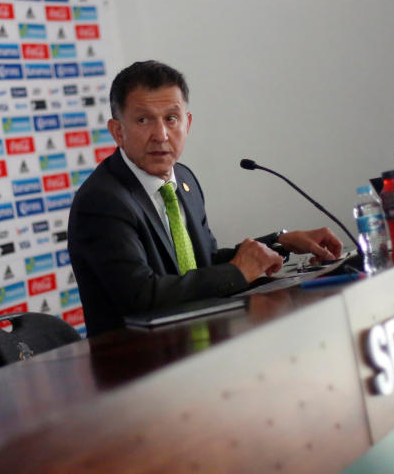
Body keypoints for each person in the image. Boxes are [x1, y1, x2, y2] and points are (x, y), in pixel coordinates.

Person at [67, 60, 342, 336]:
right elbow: (141, 295)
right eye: (143, 120)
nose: (161, 135)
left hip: (194, 344)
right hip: (137, 361)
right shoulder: (103, 200)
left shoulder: (184, 179)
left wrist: (279, 244)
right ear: (118, 131)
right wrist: (237, 273)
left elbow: (202, 263)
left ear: (187, 123)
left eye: (171, 119)